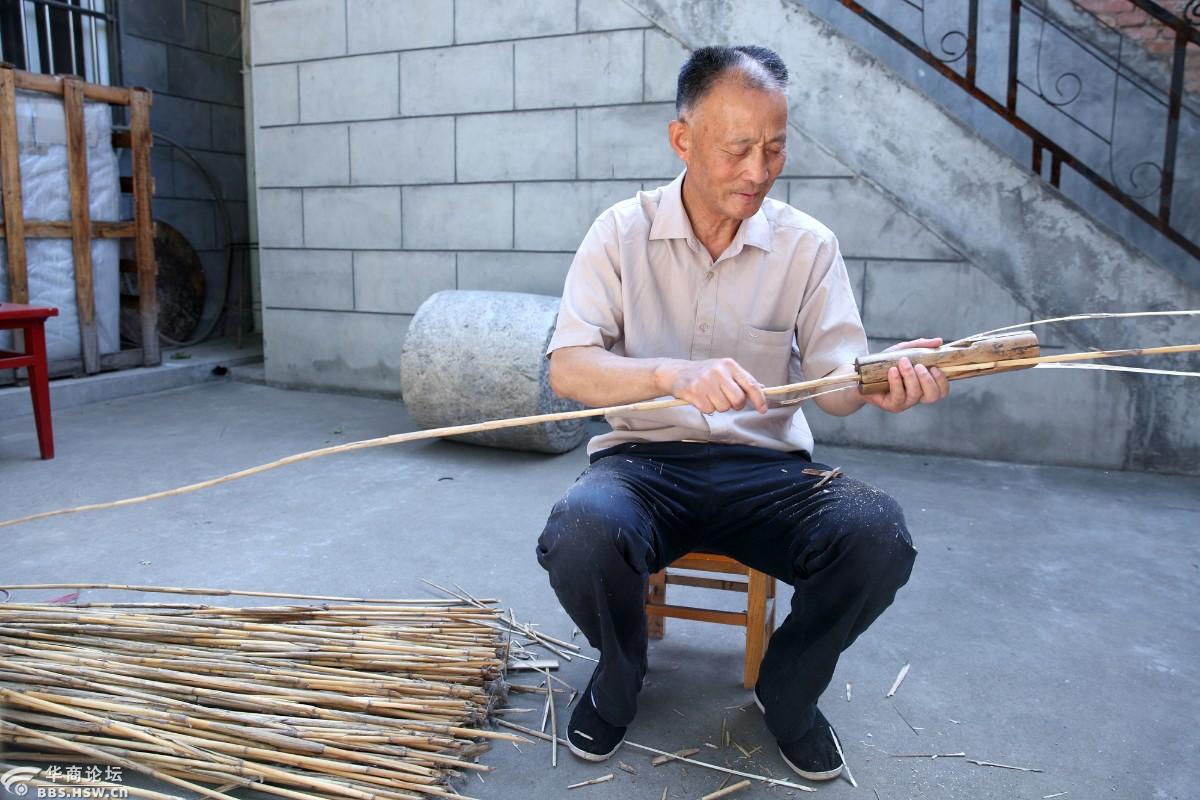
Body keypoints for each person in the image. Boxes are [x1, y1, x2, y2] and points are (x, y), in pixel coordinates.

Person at [535, 45, 950, 782]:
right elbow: (569, 367)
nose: (758, 171)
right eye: (738, 149)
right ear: (682, 139)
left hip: (768, 471)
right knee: (580, 533)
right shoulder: (619, 233)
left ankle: (788, 692)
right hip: (643, 467)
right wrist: (670, 373)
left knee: (877, 535)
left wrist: (878, 385)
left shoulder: (808, 246)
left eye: (775, 146)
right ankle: (620, 677)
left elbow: (833, 385)